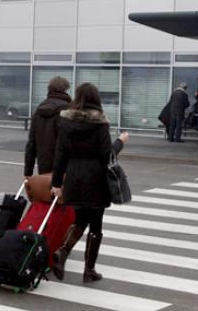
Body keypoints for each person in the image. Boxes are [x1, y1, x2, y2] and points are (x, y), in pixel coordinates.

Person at [50, 83, 129, 283]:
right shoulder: (100, 123)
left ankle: (64, 253)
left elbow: (60, 155)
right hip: (95, 179)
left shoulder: (66, 122)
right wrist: (120, 141)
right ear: (96, 98)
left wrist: (56, 183)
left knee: (81, 219)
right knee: (96, 224)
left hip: (74, 177)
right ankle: (87, 268)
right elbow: (107, 155)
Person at [24, 76, 72, 177]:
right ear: (65, 89)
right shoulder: (68, 109)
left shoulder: (39, 110)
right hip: (65, 168)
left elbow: (31, 144)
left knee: (45, 191)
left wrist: (28, 172)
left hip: (44, 166)